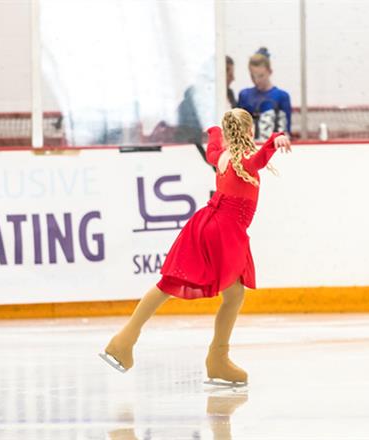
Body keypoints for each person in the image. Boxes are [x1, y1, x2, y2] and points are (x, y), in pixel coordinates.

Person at [100, 108, 292, 384]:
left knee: (222, 292)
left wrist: (215, 132)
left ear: (229, 134)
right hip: (225, 232)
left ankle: (131, 341)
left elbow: (213, 147)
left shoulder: (221, 158)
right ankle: (212, 357)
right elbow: (261, 158)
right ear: (250, 132)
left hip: (208, 225)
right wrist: (276, 138)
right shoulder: (247, 161)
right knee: (220, 293)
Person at [237, 47, 292, 141]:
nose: (256, 80)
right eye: (252, 76)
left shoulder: (282, 96)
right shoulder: (244, 95)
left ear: (270, 72)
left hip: (274, 147)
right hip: (251, 148)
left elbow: (286, 131)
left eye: (261, 76)